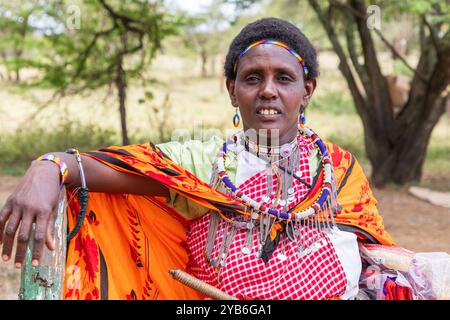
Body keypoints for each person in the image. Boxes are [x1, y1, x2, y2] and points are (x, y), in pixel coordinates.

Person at [0, 17, 394, 300]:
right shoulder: (202, 162)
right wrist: (47, 166)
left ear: (307, 89)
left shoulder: (338, 169)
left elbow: (376, 256)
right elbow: (97, 168)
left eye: (284, 79)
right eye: (253, 78)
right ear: (232, 89)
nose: (268, 91)